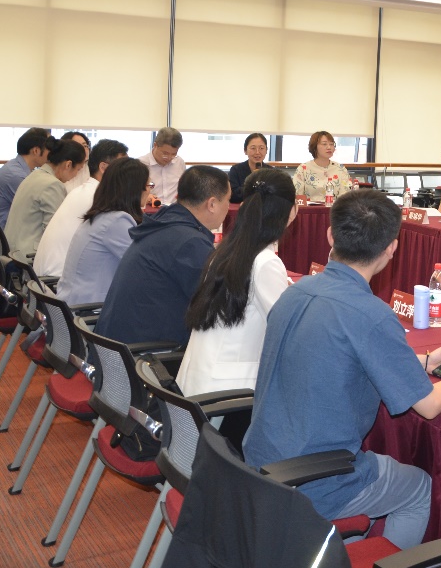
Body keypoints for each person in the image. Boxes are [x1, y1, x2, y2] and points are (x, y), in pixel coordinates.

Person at [242, 190, 441, 549]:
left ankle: (336, 557)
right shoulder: (371, 313)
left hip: (259, 461)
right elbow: (429, 406)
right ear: (391, 249)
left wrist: (422, 362)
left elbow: (336, 354)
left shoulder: (296, 291)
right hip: (317, 478)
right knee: (419, 489)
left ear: (330, 236)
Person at [177, 168, 297, 395]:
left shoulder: (224, 251)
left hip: (194, 386)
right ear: (292, 211)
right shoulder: (265, 262)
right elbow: (289, 330)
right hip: (228, 395)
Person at [95, 166, 231, 346]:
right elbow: (218, 305)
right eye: (228, 200)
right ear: (212, 204)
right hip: (146, 354)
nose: (228, 207)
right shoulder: (189, 242)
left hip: (118, 347)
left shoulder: (165, 224)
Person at [56, 158, 151, 307]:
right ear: (136, 189)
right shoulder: (117, 221)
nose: (150, 190)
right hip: (88, 310)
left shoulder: (102, 215)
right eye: (148, 185)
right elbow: (143, 266)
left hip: (75, 304)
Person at [33, 139, 129, 278]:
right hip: (58, 277)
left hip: (47, 275)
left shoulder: (84, 191)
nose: (127, 174)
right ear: (103, 167)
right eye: (123, 168)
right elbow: (126, 251)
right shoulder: (98, 198)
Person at [4, 138, 86, 262]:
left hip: (14, 250)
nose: (76, 175)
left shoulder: (35, 175)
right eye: (78, 170)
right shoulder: (52, 185)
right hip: (27, 256)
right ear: (68, 164)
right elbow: (53, 232)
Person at [0, 127, 52, 228]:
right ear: (36, 150)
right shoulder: (16, 176)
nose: (51, 154)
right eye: (49, 149)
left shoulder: (15, 167)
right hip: (0, 234)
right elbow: (36, 211)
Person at [293, 130, 352, 201]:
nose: (329, 147)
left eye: (331, 144)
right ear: (314, 147)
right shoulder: (303, 168)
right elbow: (297, 195)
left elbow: (345, 196)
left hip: (335, 207)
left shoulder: (340, 168)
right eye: (324, 144)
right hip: (308, 207)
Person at [140, 127, 187, 204]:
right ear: (155, 145)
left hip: (174, 209)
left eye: (174, 154)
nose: (169, 158)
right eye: (165, 153)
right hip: (150, 209)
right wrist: (144, 197)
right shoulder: (141, 164)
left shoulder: (179, 162)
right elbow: (131, 194)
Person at [228, 133, 269, 203]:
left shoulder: (271, 171)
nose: (257, 152)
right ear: (245, 151)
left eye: (261, 148)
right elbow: (233, 194)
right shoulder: (236, 170)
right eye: (253, 148)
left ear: (266, 150)